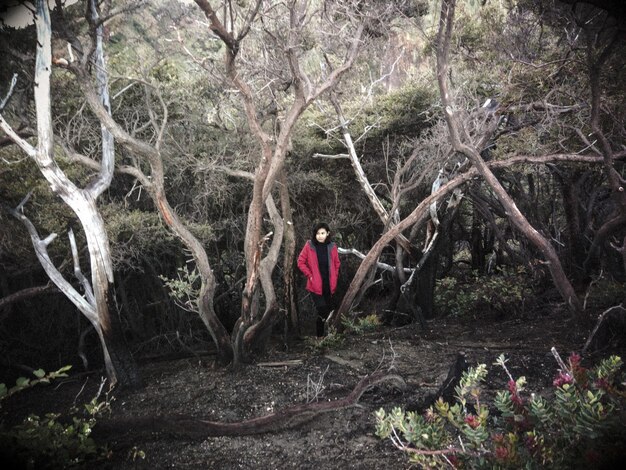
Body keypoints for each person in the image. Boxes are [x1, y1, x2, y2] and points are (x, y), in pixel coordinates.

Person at [297, 222, 341, 337]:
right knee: (322, 310)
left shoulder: (332, 247)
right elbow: (300, 262)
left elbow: (337, 264)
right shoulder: (309, 245)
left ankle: (327, 336)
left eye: (323, 233)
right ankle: (320, 337)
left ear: (328, 233)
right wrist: (310, 275)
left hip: (329, 285)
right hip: (315, 285)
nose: (320, 236)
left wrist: (335, 278)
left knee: (328, 311)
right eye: (317, 233)